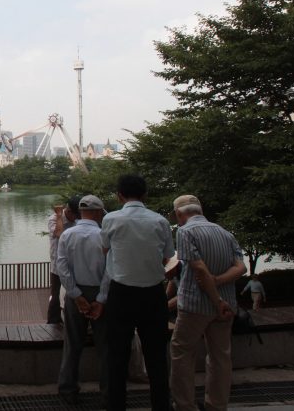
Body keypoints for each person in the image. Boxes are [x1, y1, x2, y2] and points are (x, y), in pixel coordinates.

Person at [100, 174, 175, 411]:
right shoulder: (160, 221)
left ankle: (116, 406)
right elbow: (167, 256)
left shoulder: (111, 219)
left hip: (120, 294)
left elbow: (105, 250)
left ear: (119, 195)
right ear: (145, 195)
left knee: (117, 357)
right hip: (153, 295)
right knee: (156, 358)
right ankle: (161, 407)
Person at [170, 194, 247, 411]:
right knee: (220, 357)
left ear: (179, 214)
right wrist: (221, 286)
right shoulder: (225, 233)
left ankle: (185, 405)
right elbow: (241, 268)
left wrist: (216, 297)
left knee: (182, 353)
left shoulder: (185, 232)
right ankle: (217, 405)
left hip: (195, 305)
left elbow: (200, 270)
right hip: (226, 307)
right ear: (200, 210)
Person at [56, 194, 110, 405]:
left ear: (80, 211)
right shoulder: (104, 236)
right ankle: (108, 391)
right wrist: (101, 299)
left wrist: (76, 295)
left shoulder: (67, 236)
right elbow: (111, 270)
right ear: (98, 212)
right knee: (105, 346)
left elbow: (62, 267)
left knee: (72, 344)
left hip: (74, 294)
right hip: (100, 294)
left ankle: (68, 389)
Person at [47, 196, 80, 324]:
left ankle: (73, 320)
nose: (78, 218)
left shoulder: (77, 219)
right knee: (55, 294)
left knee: (75, 292)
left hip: (74, 263)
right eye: (76, 215)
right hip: (58, 263)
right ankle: (52, 322)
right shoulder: (54, 219)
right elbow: (60, 234)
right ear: (69, 211)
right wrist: (60, 216)